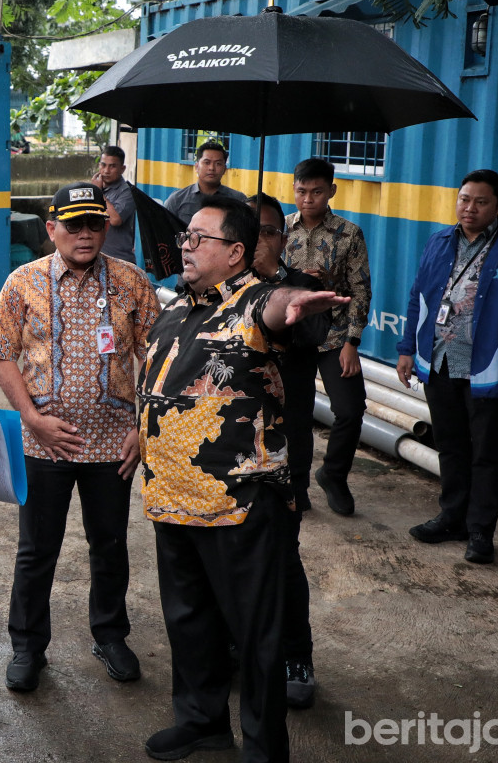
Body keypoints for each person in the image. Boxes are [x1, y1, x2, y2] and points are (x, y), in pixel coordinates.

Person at [139, 195, 347, 762]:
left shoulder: (255, 302)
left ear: (235, 252)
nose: (185, 244)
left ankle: (262, 745)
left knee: (256, 634)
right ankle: (202, 720)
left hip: (241, 502)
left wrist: (295, 303)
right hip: (172, 498)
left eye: (198, 238)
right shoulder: (179, 306)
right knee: (189, 622)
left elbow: (279, 311)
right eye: (186, 237)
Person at [0, 182, 161, 692]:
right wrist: (31, 418)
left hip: (112, 445)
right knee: (37, 549)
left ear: (106, 227)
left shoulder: (132, 282)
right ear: (52, 228)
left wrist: (142, 429)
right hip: (43, 443)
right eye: (74, 224)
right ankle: (27, 646)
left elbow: (158, 358)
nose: (85, 235)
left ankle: (109, 635)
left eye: (95, 224)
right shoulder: (23, 282)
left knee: (109, 545)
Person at [396, 170, 498, 565]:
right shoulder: (439, 241)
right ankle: (452, 517)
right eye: (464, 199)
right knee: (450, 445)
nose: (469, 208)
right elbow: (418, 299)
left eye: (480, 201)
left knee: (486, 453)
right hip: (440, 362)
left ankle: (481, 531)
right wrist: (407, 349)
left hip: (489, 370)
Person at [249, 193, 328, 711]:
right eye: (249, 229)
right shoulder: (216, 292)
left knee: (282, 555)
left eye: (269, 230)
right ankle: (239, 644)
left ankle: (296, 654)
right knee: (230, 558)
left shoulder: (305, 289)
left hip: (282, 451)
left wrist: (275, 298)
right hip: (226, 451)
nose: (260, 238)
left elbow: (306, 336)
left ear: (283, 236)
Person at [282, 158, 371, 516]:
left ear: (331, 191)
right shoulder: (281, 230)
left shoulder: (349, 233)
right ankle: (296, 486)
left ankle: (333, 474)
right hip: (293, 337)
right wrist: (294, 279)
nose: (308, 199)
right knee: (295, 417)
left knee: (351, 409)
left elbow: (360, 290)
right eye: (302, 191)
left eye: (317, 192)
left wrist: (352, 342)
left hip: (335, 337)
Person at [163, 140, 247, 226]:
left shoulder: (238, 200)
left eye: (218, 164)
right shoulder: (177, 199)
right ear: (196, 167)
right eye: (207, 162)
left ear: (224, 169)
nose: (212, 168)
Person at [92, 146, 138, 265]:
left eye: (112, 166)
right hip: (96, 259)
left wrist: (98, 193)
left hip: (120, 261)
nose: (106, 171)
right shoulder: (95, 188)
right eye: (103, 165)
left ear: (122, 169)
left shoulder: (127, 191)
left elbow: (115, 219)